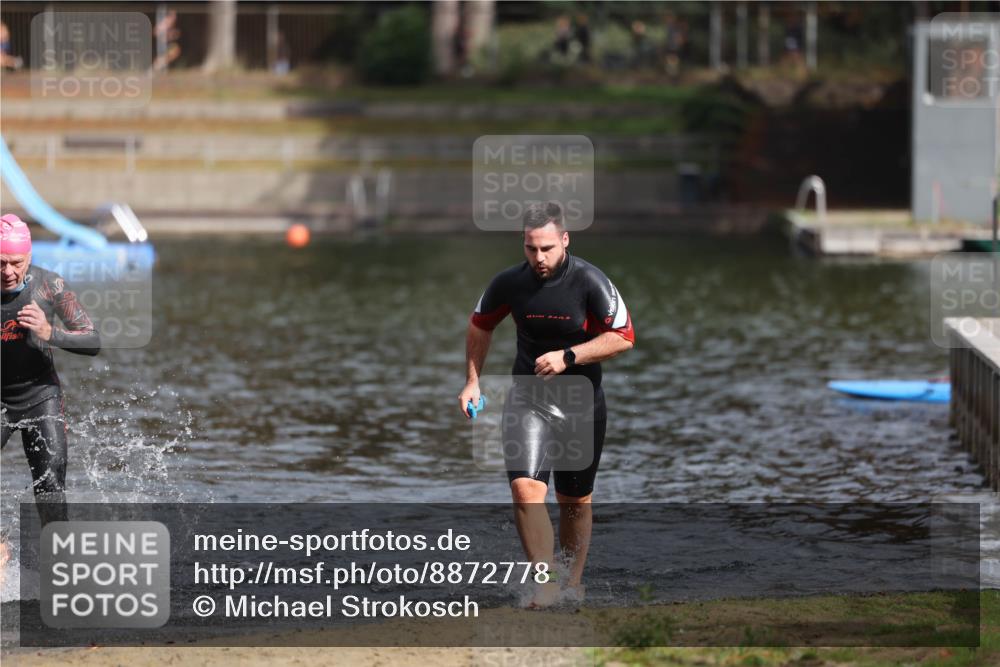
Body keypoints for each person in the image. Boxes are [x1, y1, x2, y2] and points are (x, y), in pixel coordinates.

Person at [459, 202, 635, 607]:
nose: (539, 258)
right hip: (528, 398)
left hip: (580, 403)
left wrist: (568, 356)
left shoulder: (590, 281)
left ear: (565, 241)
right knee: (525, 491)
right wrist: (472, 381)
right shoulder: (509, 283)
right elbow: (479, 325)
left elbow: (624, 336)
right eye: (531, 248)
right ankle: (546, 582)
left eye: (547, 249)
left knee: (574, 501)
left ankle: (572, 582)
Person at [1, 214, 101, 529]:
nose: (8, 272)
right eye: (0, 262)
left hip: (40, 395)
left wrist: (48, 333)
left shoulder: (50, 285)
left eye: (16, 263)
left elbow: (92, 340)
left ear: (29, 257)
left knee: (52, 491)